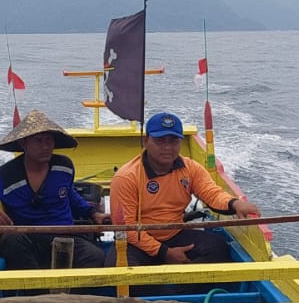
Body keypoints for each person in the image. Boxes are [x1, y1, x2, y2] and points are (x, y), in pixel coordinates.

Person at [109, 111, 260, 266]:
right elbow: (126, 227)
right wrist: (164, 252)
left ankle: (177, 286)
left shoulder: (191, 168)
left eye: (174, 141)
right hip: (138, 241)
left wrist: (235, 204)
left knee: (218, 249)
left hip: (175, 233)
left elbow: (212, 194)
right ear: (145, 141)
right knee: (119, 267)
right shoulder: (127, 177)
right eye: (160, 141)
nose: (168, 147)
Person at [0, 110, 110, 270]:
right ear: (23, 143)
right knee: (11, 240)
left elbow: (69, 195)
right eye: (38, 141)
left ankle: (73, 295)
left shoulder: (64, 167)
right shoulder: (3, 177)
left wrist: (93, 213)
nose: (45, 147)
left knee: (96, 257)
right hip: (27, 239)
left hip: (65, 235)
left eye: (49, 140)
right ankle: (33, 293)